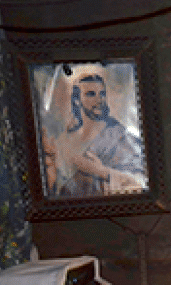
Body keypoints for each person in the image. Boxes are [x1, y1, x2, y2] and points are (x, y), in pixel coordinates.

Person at [43, 66, 146, 197]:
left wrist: (101, 171)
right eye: (91, 94)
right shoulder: (58, 140)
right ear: (76, 99)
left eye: (102, 94)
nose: (99, 100)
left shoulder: (120, 138)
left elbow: (140, 183)